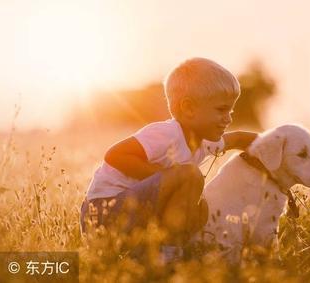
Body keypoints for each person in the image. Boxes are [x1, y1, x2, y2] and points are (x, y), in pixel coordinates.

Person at [79, 57, 257, 263]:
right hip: (103, 214)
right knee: (190, 176)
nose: (229, 118)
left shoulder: (205, 141)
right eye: (221, 110)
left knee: (200, 210)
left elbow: (237, 139)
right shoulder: (167, 133)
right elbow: (115, 155)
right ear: (189, 108)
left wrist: (275, 144)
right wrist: (166, 176)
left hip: (133, 215)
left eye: (231, 110)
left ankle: (155, 255)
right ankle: (169, 256)